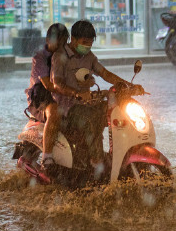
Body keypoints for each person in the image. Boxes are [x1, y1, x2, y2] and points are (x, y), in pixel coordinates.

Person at [48, 20, 140, 178]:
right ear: (74, 39)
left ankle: (119, 155)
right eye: (84, 43)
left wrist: (128, 86)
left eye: (90, 44)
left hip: (87, 103)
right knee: (91, 119)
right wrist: (76, 93)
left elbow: (105, 73)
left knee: (117, 111)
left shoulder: (88, 56)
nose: (87, 47)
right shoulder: (59, 56)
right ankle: (97, 163)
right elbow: (57, 85)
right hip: (67, 108)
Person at [24, 23, 70, 166]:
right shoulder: (40, 58)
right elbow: (48, 85)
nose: (60, 46)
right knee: (54, 112)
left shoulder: (68, 56)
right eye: (58, 42)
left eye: (64, 42)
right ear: (48, 40)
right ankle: (47, 156)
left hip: (62, 94)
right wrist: (73, 92)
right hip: (41, 97)